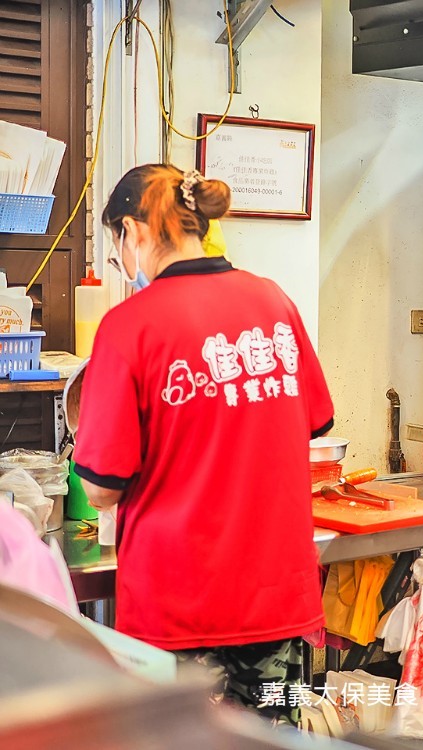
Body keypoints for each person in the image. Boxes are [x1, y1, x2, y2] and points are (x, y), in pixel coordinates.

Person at [73, 164, 334, 725]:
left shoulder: (127, 327)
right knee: (270, 741)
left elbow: (99, 489)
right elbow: (313, 422)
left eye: (116, 244)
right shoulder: (274, 303)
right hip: (276, 597)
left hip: (178, 607)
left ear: (133, 231)